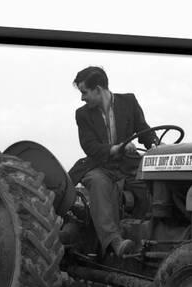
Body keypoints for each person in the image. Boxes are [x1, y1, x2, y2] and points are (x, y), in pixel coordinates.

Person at [68, 66, 159, 257]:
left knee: (152, 184)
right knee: (98, 182)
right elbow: (90, 146)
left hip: (128, 165)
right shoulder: (82, 114)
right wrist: (115, 148)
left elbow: (143, 129)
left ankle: (146, 239)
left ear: (98, 89)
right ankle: (114, 242)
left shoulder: (129, 102)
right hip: (100, 165)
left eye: (84, 92)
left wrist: (156, 145)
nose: (82, 98)